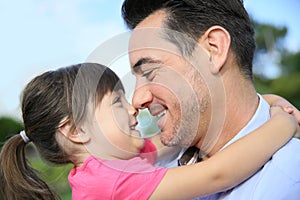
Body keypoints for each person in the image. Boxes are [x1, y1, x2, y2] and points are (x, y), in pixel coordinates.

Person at [0, 63, 298, 200]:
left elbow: (177, 137)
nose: (133, 108)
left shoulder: (116, 160)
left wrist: (263, 101)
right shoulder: (110, 182)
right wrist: (281, 124)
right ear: (77, 130)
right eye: (116, 101)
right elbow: (217, 174)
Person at [121, 0, 300, 199]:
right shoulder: (149, 171)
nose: (137, 100)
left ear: (213, 50)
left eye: (149, 71)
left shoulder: (288, 181)